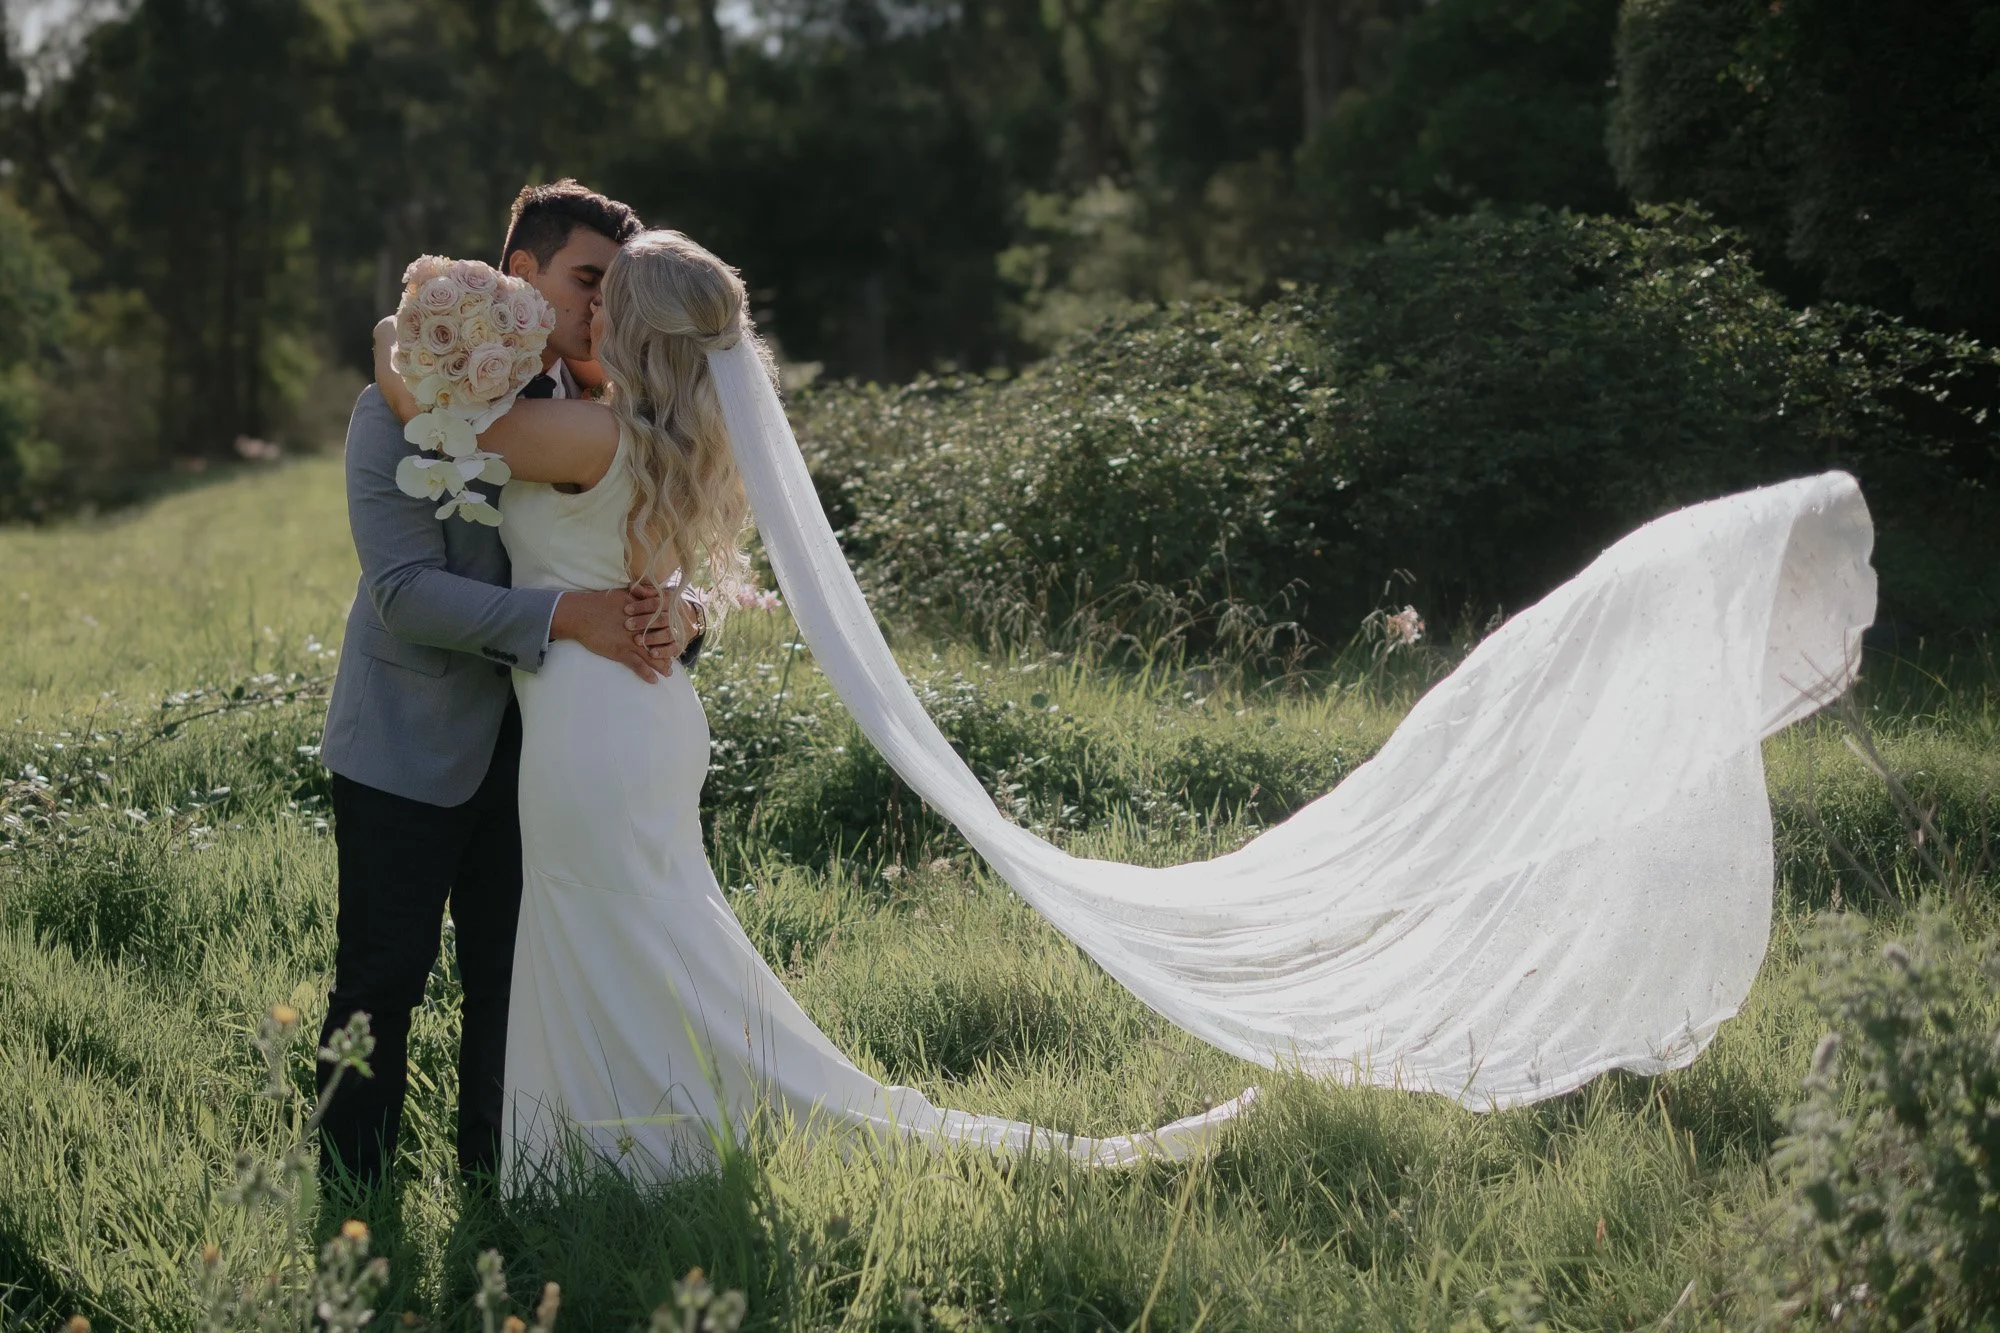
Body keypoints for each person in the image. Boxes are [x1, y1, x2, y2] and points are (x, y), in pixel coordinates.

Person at [375, 228, 1876, 1183]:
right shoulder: (673, 434)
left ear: (628, 330)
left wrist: (436, 316)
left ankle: (606, 1153)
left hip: (593, 720)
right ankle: (616, 1141)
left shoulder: (577, 437)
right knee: (646, 923)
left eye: (598, 297)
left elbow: (415, 408)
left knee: (613, 923)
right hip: (637, 720)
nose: (576, 310)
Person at [316, 182, 703, 1197]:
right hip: (406, 740)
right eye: (587, 280)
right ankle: (353, 1195)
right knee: (379, 982)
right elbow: (404, 592)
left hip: (550, 753)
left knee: (513, 979)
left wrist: (682, 612)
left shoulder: (606, 410)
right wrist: (568, 617)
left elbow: (657, 551)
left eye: (615, 289)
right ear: (521, 273)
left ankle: (500, 1184)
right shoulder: (395, 398)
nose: (601, 307)